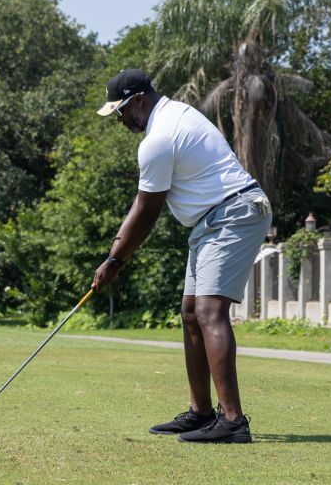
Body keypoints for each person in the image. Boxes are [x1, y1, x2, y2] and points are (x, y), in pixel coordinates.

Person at [91, 68, 272, 444]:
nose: (121, 120)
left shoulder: (159, 137)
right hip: (213, 220)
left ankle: (234, 421)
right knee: (191, 312)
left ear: (138, 100)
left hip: (232, 213)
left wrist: (114, 261)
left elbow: (146, 210)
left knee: (209, 311)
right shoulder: (174, 115)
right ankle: (201, 413)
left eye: (122, 111)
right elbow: (142, 205)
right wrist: (114, 256)